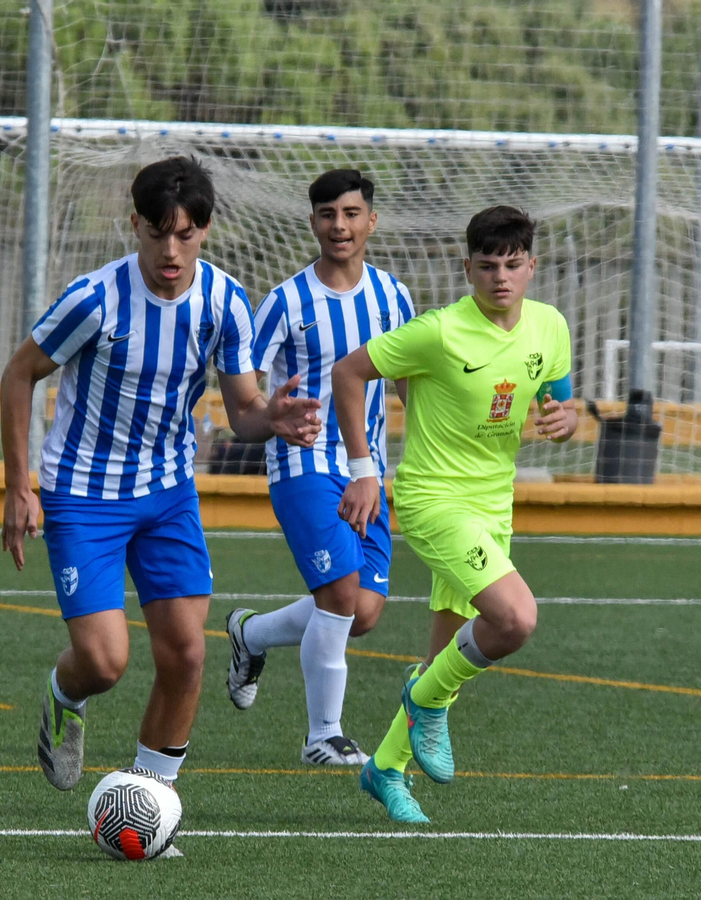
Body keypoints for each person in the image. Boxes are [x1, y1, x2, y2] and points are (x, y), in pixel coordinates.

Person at [0, 156, 321, 794]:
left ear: (205, 229)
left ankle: (149, 799)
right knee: (104, 661)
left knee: (187, 653)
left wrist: (274, 420)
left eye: (185, 234)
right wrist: (18, 484)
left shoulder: (225, 302)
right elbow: (18, 374)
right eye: (156, 233)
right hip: (83, 494)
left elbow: (244, 411)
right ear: (135, 226)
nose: (170, 250)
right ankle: (66, 695)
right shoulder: (95, 298)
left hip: (169, 494)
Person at [330, 205, 578, 822]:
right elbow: (348, 372)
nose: (501, 278)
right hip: (434, 500)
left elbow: (561, 406)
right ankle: (425, 701)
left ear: (532, 266)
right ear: (466, 268)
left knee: (448, 652)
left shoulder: (549, 327)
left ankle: (384, 768)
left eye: (513, 265)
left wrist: (568, 421)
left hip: (495, 505)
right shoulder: (438, 332)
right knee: (515, 619)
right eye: (488, 266)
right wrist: (366, 469)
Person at [224, 169, 415, 766]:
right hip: (302, 464)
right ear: (312, 223)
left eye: (352, 213)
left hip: (369, 470)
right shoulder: (284, 301)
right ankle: (322, 736)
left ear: (371, 221)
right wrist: (270, 414)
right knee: (338, 594)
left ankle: (249, 635)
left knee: (363, 613)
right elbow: (247, 393)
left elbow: (411, 380)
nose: (341, 225)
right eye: (328, 214)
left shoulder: (394, 297)